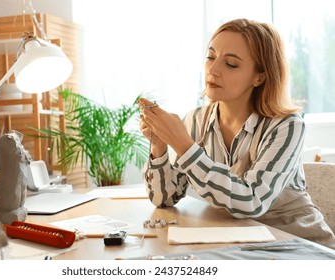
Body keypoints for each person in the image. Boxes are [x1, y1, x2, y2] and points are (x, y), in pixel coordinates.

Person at [138, 18, 335, 249]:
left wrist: (183, 146)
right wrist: (159, 147)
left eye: (231, 64)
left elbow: (251, 201)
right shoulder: (196, 120)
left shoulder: (287, 126)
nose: (213, 69)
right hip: (240, 245)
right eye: (211, 57)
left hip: (299, 246)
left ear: (259, 76)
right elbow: (165, 199)